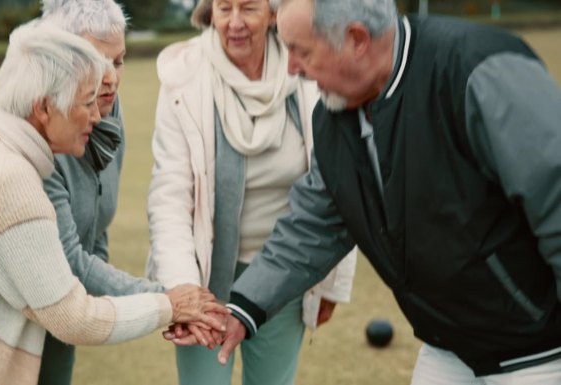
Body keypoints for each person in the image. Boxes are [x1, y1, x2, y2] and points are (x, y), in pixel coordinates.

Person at [215, 0, 561, 383]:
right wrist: (244, 307)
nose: (292, 68)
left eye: (302, 50)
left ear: (357, 40)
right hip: (447, 348)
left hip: (540, 352)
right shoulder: (334, 117)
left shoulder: (477, 68)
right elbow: (313, 226)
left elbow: (555, 197)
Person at [0, 22, 227, 385]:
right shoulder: (13, 186)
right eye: (86, 102)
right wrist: (170, 305)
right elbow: (75, 317)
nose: (96, 116)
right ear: (44, 108)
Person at [146, 0, 357, 384]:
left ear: (274, 12)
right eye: (224, 8)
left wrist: (333, 283)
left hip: (284, 275)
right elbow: (170, 196)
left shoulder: (306, 68)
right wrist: (184, 291)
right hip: (205, 280)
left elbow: (339, 185)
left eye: (249, 8)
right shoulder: (184, 77)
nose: (235, 22)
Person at [36, 1, 168, 383]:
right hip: (12, 317)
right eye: (96, 61)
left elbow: (95, 226)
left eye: (119, 61)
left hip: (61, 305)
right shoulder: (39, 136)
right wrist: (163, 301)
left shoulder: (108, 110)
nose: (110, 77)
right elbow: (70, 261)